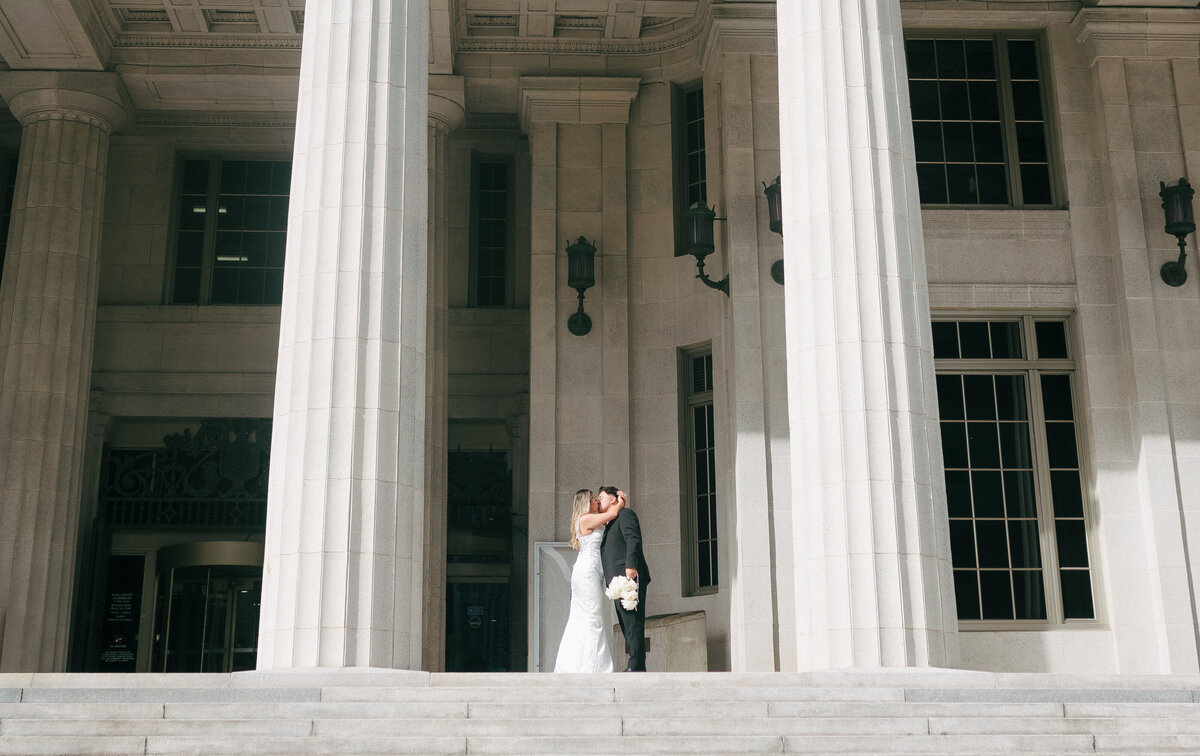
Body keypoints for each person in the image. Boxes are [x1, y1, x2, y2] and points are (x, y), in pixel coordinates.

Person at [553, 488, 625, 673]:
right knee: (593, 617)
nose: (596, 501)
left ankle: (578, 665)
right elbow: (613, 513)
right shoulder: (585, 519)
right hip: (587, 573)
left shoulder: (589, 519)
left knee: (582, 618)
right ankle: (594, 668)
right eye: (594, 499)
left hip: (590, 571)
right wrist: (620, 500)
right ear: (586, 502)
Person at [597, 485, 651, 671]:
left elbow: (633, 538)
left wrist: (630, 565)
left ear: (613, 499)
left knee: (633, 620)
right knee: (625, 622)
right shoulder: (610, 521)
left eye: (601, 497)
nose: (598, 501)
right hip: (617, 582)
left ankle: (636, 665)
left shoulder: (625, 514)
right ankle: (636, 664)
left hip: (628, 575)